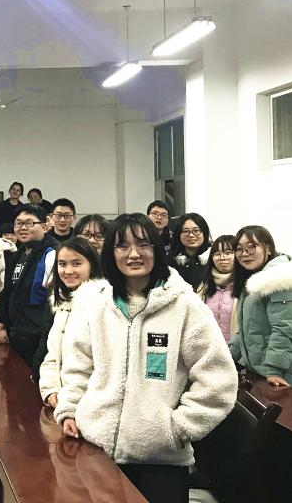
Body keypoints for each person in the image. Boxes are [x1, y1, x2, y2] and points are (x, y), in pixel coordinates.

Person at [55, 213, 237, 503]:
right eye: (122, 246)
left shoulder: (185, 305)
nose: (133, 254)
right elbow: (79, 365)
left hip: (161, 461)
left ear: (156, 248)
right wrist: (70, 409)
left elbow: (219, 379)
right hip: (97, 449)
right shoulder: (98, 303)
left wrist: (178, 428)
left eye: (143, 244)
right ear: (110, 253)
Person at [230, 225, 292, 399]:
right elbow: (245, 330)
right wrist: (227, 357)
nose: (244, 253)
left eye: (251, 247)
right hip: (264, 374)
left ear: (268, 248)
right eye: (239, 249)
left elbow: (285, 328)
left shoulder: (279, 280)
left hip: (288, 377)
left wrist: (273, 369)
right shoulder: (255, 282)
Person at [0, 204, 57, 378]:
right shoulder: (18, 254)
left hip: (39, 338)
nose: (22, 228)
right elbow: (7, 291)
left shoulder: (53, 254)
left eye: (29, 223)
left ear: (44, 226)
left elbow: (54, 301)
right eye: (18, 223)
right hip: (17, 334)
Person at [38, 238, 101, 408]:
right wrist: (50, 389)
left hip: (87, 403)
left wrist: (72, 402)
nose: (68, 271)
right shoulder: (62, 304)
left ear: (92, 265)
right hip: (62, 401)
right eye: (62, 264)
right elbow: (53, 355)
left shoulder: (101, 303)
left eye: (76, 264)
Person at [197, 235, 236, 343]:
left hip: (237, 351)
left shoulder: (246, 287)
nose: (222, 257)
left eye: (228, 253)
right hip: (209, 348)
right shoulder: (203, 287)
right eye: (217, 254)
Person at [168, 213, 211, 291]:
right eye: (185, 231)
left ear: (204, 232)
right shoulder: (172, 260)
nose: (191, 235)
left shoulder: (214, 258)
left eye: (196, 231)